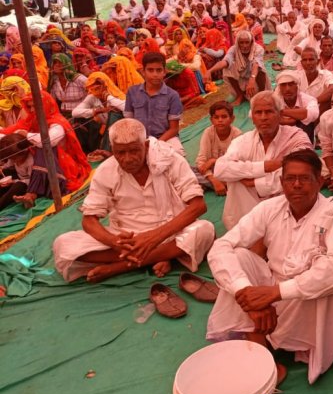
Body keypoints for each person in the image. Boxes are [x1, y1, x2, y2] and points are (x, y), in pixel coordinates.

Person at [206, 150, 333, 384]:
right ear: (281, 182)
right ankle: (265, 357)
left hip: (314, 299)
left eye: (305, 179)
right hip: (272, 289)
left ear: (319, 182)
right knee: (237, 256)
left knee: (322, 279)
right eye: (290, 179)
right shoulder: (270, 208)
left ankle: (263, 336)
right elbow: (221, 247)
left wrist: (275, 293)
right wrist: (247, 295)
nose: (296, 185)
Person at [52, 119, 214, 283]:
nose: (128, 159)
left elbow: (198, 206)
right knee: (63, 244)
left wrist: (153, 238)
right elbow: (89, 221)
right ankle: (162, 256)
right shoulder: (105, 171)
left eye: (134, 151)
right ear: (112, 149)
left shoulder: (170, 160)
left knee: (204, 230)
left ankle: (121, 267)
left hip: (169, 232)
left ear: (146, 146)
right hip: (127, 241)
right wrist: (115, 243)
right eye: (120, 153)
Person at [213, 91, 312, 229]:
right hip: (248, 211)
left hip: (285, 209)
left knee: (297, 180)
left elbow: (302, 172)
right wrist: (265, 167)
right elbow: (220, 169)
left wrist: (254, 182)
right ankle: (247, 232)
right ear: (252, 118)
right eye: (258, 113)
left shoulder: (296, 137)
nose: (263, 117)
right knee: (235, 181)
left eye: (269, 112)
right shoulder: (243, 141)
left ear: (280, 115)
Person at [1, 91, 90, 207]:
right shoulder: (33, 120)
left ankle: (31, 194)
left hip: (62, 165)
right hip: (36, 165)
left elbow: (49, 141)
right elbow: (11, 131)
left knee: (43, 149)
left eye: (35, 106)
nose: (32, 110)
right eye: (30, 107)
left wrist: (26, 135)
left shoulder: (58, 123)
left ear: (45, 105)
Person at [124, 52, 184, 155]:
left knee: (178, 154)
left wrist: (155, 144)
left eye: (159, 70)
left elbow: (174, 129)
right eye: (150, 70)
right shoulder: (132, 92)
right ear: (143, 71)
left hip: (165, 138)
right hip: (140, 139)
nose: (155, 74)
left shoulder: (172, 95)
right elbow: (129, 122)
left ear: (164, 72)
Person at [195, 101, 242, 196]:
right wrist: (214, 180)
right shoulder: (208, 133)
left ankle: (204, 186)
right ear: (211, 120)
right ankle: (220, 186)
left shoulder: (237, 134)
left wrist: (213, 160)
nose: (220, 120)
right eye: (216, 117)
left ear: (232, 119)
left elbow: (237, 162)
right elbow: (201, 162)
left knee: (239, 175)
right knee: (189, 171)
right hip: (211, 172)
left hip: (229, 172)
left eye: (224, 117)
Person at [208, 30, 266, 107]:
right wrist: (209, 71)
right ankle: (240, 95)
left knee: (260, 69)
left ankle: (261, 95)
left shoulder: (258, 49)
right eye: (241, 43)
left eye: (247, 42)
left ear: (251, 42)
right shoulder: (233, 49)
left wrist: (252, 79)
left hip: (254, 77)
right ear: (238, 43)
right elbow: (225, 61)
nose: (244, 45)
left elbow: (256, 64)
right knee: (227, 68)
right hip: (242, 77)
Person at [72, 72, 126, 154]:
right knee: (78, 120)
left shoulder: (115, 95)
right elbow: (74, 112)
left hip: (119, 130)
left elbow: (125, 107)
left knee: (114, 114)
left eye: (98, 86)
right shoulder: (92, 97)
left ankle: (108, 151)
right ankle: (85, 152)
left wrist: (107, 96)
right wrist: (97, 111)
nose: (95, 89)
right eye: (92, 86)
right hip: (101, 130)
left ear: (105, 84)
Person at [274, 70, 319, 143]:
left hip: (302, 140)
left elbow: (313, 114)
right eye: (283, 85)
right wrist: (286, 121)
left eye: (291, 84)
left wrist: (281, 112)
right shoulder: (275, 99)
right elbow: (252, 113)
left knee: (306, 121)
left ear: (297, 86)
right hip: (280, 141)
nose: (287, 89)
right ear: (279, 88)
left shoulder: (308, 99)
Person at [0, 133, 34, 211]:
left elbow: (32, 181)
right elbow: (8, 165)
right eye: (11, 158)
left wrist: (14, 181)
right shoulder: (14, 159)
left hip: (26, 184)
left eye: (14, 158)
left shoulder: (30, 162)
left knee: (18, 186)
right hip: (18, 178)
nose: (13, 160)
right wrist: (2, 169)